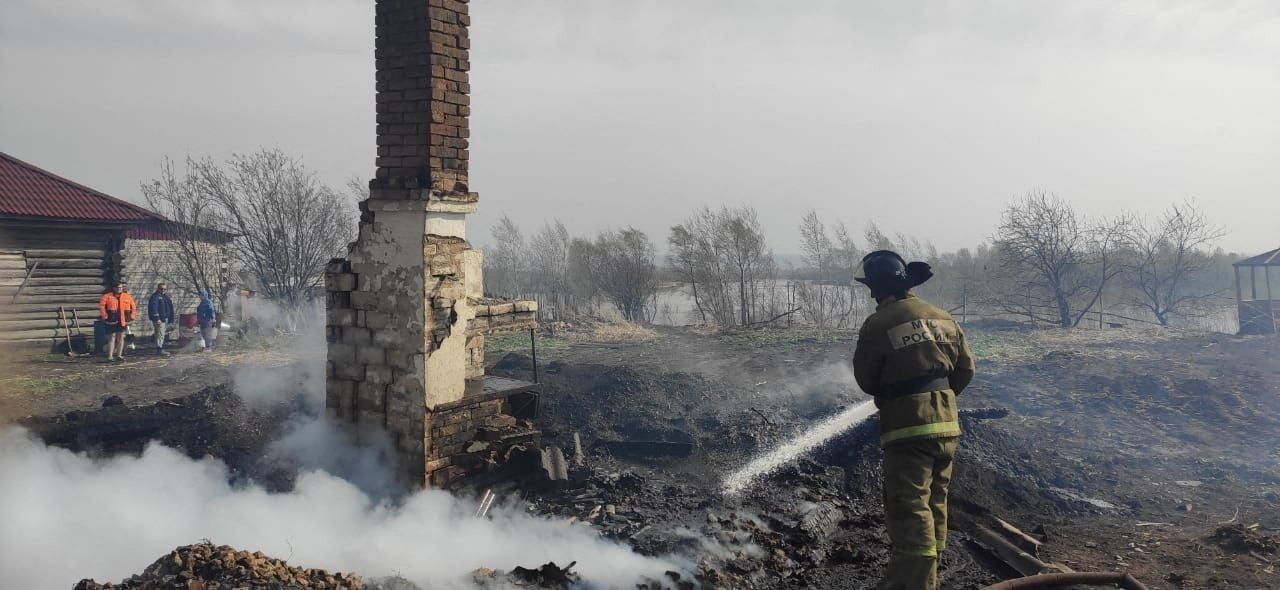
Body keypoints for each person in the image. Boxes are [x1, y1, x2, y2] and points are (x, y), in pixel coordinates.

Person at [851, 251, 975, 590]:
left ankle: (912, 584)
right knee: (936, 501)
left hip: (908, 429)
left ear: (876, 288)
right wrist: (940, 399)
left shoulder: (879, 323)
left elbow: (866, 380)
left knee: (910, 507)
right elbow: (966, 370)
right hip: (947, 426)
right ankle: (930, 576)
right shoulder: (942, 317)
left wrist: (907, 398)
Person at [98, 282, 137, 362]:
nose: (119, 289)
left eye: (120, 287)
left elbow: (133, 308)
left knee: (121, 338)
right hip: (111, 320)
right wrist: (105, 317)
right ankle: (110, 356)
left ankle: (119, 355)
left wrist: (132, 317)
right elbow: (102, 307)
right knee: (112, 338)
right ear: (114, 288)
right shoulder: (107, 296)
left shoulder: (127, 296)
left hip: (122, 321)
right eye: (117, 287)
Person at [147, 282, 176, 356]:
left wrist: (170, 318)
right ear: (158, 289)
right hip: (160, 319)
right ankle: (159, 349)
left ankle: (156, 341)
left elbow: (169, 307)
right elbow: (154, 308)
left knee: (161, 333)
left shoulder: (165, 297)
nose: (163, 290)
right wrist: (157, 318)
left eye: (164, 289)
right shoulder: (155, 297)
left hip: (165, 318)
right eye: (161, 289)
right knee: (160, 334)